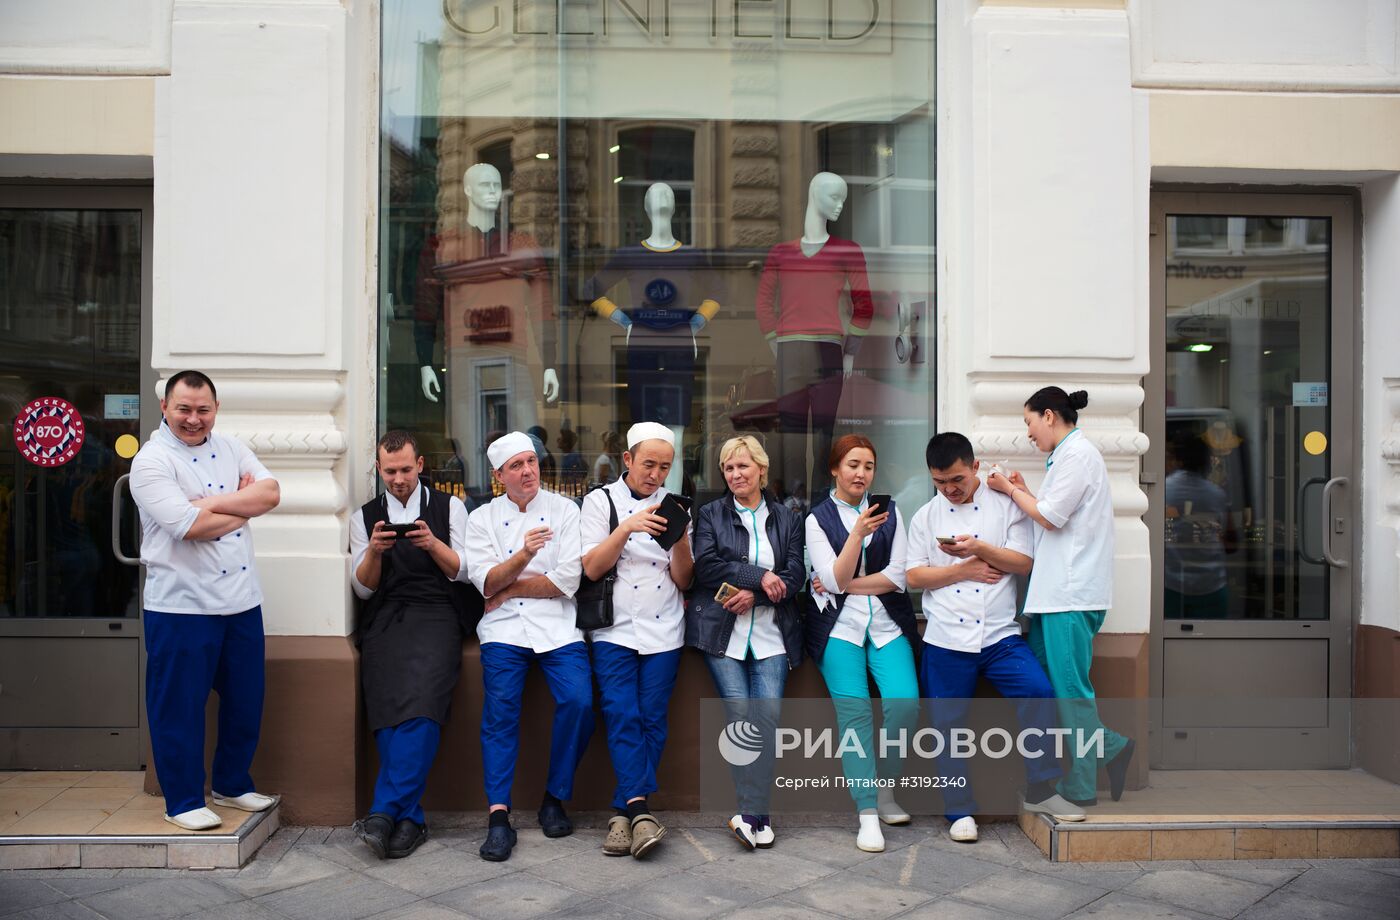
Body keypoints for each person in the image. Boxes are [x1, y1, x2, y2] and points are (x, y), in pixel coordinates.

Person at [906, 433, 1084, 842]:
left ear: (974, 467)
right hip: (946, 638)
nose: (949, 488)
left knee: (1038, 692)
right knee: (946, 724)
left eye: (956, 478)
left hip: (1001, 637)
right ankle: (958, 811)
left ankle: (1042, 789)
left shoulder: (1005, 505)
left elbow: (1022, 562)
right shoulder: (925, 516)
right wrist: (960, 570)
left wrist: (979, 548)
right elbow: (913, 576)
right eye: (939, 482)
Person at [128, 371, 281, 830]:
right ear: (165, 408)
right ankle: (182, 799)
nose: (194, 419)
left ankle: (232, 783)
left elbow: (271, 493)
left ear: (215, 409)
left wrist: (209, 503)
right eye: (184, 409)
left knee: (245, 698)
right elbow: (188, 527)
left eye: (203, 409)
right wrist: (240, 503)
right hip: (179, 605)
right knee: (179, 705)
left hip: (240, 601)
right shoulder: (151, 461)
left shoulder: (231, 447)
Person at [987, 387, 1136, 805]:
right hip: (1056, 597)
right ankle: (1110, 746)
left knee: (1072, 691)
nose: (1028, 434)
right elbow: (1055, 513)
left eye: (1029, 423)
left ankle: (1083, 784)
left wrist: (1010, 490)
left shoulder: (1079, 455)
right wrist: (1024, 489)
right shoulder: (1066, 457)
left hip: (1071, 596)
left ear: (1048, 415)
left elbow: (1051, 517)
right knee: (1047, 681)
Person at [465, 431, 592, 861]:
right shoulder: (481, 518)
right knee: (500, 714)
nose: (528, 471)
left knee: (578, 702)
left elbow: (566, 581)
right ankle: (499, 817)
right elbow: (484, 583)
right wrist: (522, 556)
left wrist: (509, 583)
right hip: (502, 629)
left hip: (559, 628)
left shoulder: (565, 510)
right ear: (499, 475)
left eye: (532, 462)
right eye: (516, 466)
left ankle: (554, 798)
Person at [349, 430, 474, 859]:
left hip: (438, 614)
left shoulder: (449, 506)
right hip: (385, 617)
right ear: (379, 470)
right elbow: (363, 591)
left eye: (405, 469)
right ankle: (411, 818)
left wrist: (433, 543)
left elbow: (463, 572)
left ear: (420, 465)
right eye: (389, 472)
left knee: (423, 705)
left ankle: (383, 810)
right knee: (386, 708)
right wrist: (374, 553)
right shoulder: (364, 516)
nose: (398, 479)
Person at [580, 422, 695, 858]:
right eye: (649, 464)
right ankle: (640, 808)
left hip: (665, 628)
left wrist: (681, 540)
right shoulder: (599, 502)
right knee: (620, 712)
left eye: (665, 467)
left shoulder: (676, 506)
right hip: (614, 628)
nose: (656, 474)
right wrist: (626, 527)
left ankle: (622, 812)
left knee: (652, 718)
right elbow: (591, 568)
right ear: (627, 460)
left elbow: (684, 579)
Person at [688, 436, 806, 850]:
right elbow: (706, 566)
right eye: (728, 468)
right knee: (740, 715)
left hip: (772, 633)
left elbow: (796, 575)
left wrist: (758, 593)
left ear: (761, 469)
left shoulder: (787, 517)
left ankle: (753, 814)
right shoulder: (710, 514)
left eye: (743, 466)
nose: (736, 474)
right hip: (722, 631)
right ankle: (754, 812)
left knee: (767, 719)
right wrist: (758, 575)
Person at [805, 435, 920, 853]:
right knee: (854, 716)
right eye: (853, 464)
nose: (861, 473)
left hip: (888, 625)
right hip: (838, 629)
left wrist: (844, 583)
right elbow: (830, 582)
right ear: (835, 469)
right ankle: (868, 811)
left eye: (868, 466)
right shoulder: (817, 519)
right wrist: (855, 535)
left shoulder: (892, 512)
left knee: (905, 703)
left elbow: (897, 577)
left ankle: (887, 790)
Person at [1164, 429, 1233, 619]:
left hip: (1171, 583)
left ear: (1177, 458)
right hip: (1211, 585)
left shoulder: (1164, 490)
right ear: (1205, 461)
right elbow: (1230, 541)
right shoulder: (1217, 494)